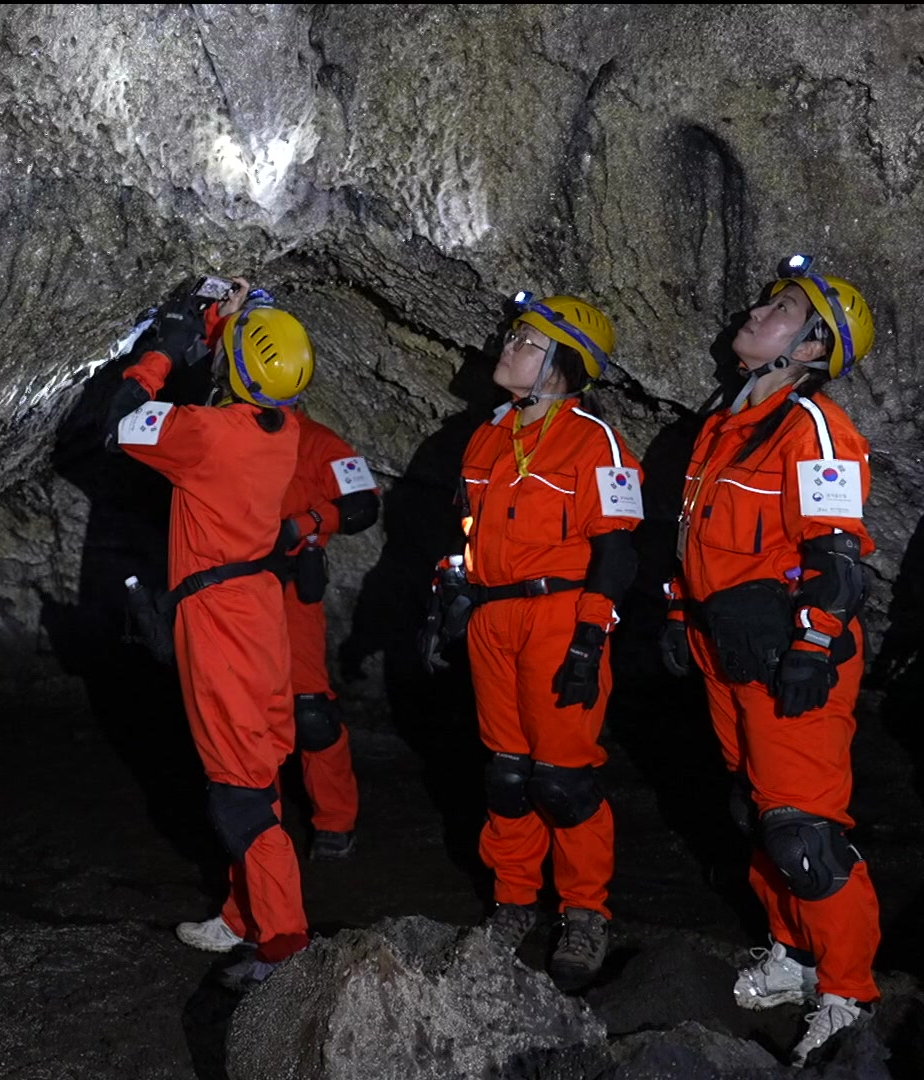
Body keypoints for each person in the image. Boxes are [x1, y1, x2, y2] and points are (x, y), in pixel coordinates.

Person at [659, 257, 880, 1064]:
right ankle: (792, 955)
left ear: (814, 348)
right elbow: (697, 536)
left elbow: (837, 551)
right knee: (756, 811)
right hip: (733, 649)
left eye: (782, 308)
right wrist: (682, 613)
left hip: (790, 652)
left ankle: (849, 993)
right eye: (765, 299)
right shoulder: (724, 424)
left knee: (804, 832)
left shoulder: (811, 425)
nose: (757, 311)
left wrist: (816, 640)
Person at [420, 293, 641, 992]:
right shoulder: (486, 439)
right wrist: (447, 598)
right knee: (508, 774)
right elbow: (465, 534)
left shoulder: (593, 440)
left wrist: (590, 637)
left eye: (527, 341)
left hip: (559, 616)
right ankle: (515, 901)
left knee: (563, 780)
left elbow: (617, 549)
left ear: (562, 366)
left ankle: (584, 913)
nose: (508, 348)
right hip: (494, 619)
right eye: (513, 336)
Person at [105, 279, 314, 987]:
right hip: (257, 610)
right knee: (259, 767)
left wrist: (164, 349)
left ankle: (283, 941)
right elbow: (251, 378)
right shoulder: (282, 430)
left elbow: (124, 420)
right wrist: (232, 319)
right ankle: (244, 912)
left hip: (219, 622)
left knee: (237, 791)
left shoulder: (207, 435)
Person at [277, 406, 382, 861]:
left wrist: (310, 522)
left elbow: (362, 504)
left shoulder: (317, 442)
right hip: (228, 593)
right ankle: (255, 822)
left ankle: (334, 820)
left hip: (289, 592)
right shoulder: (217, 430)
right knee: (237, 713)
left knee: (310, 713)